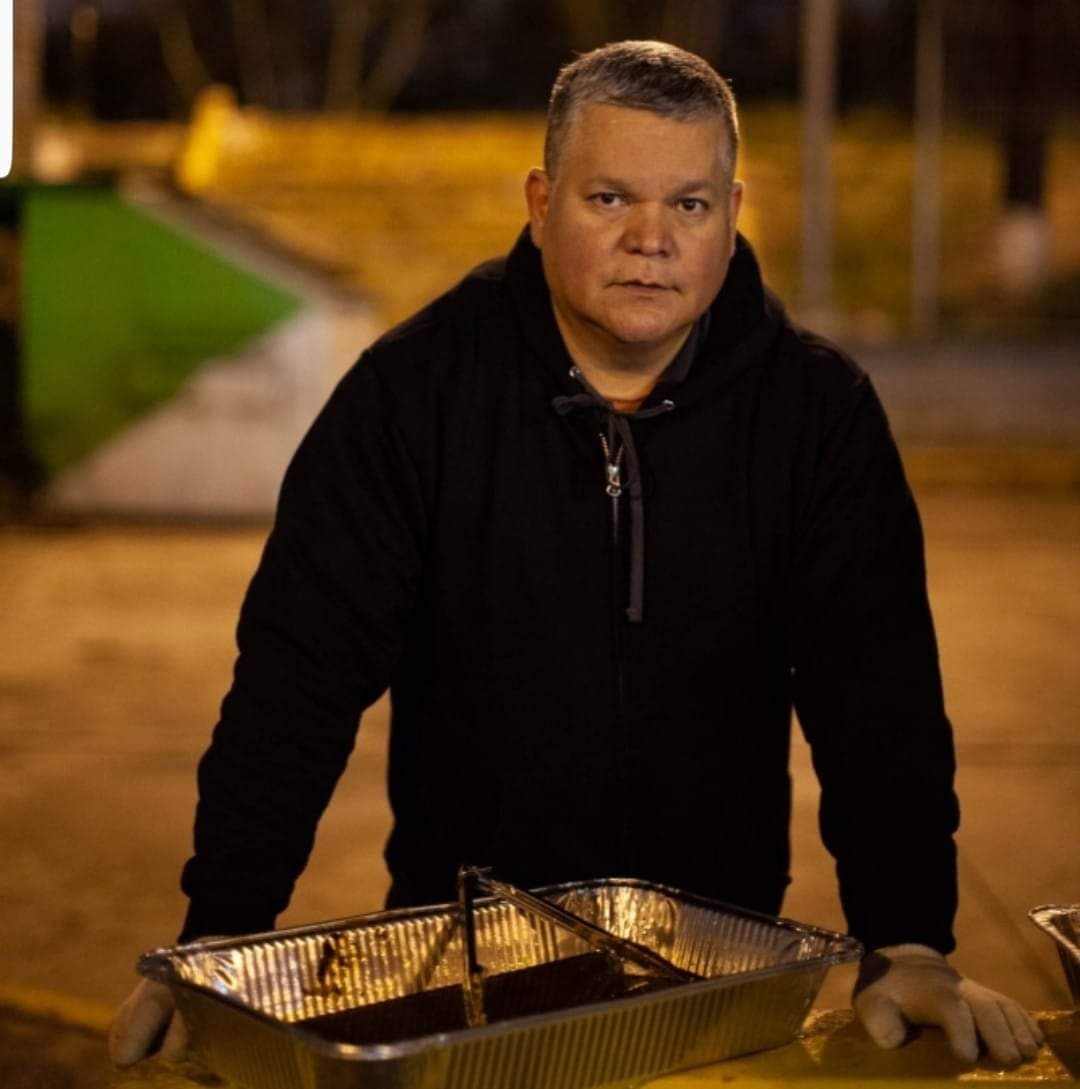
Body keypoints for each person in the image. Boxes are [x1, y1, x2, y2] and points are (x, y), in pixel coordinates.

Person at [110, 40, 1042, 1070]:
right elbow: (297, 681)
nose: (652, 240)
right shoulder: (413, 396)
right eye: (609, 199)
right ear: (540, 202)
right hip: (466, 982)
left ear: (733, 218)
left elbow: (879, 699)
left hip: (724, 995)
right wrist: (220, 934)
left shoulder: (815, 415)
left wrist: (910, 938)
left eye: (689, 206)